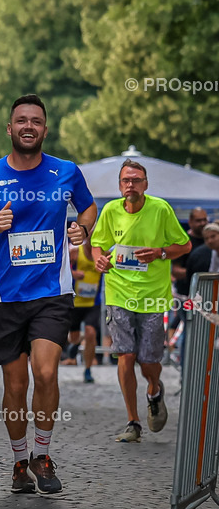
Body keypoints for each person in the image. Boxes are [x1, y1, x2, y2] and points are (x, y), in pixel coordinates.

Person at [0, 93, 97, 495]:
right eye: (22, 120)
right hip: (6, 297)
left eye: (36, 121)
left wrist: (82, 229)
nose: (28, 126)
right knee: (16, 386)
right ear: (10, 128)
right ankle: (20, 461)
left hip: (52, 293)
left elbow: (88, 209)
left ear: (45, 129)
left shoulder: (66, 172)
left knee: (47, 371)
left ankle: (43, 453)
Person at [90, 159, 191, 443]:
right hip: (119, 293)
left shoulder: (160, 209)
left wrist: (160, 252)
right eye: (126, 180)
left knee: (148, 361)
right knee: (126, 355)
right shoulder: (110, 210)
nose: (130, 185)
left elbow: (184, 245)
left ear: (145, 184)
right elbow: (98, 242)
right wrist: (98, 258)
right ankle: (133, 421)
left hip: (152, 297)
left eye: (136, 180)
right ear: (120, 185)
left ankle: (154, 390)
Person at [167, 207, 208, 348]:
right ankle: (186, 366)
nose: (202, 223)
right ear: (190, 222)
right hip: (185, 295)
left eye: (204, 219)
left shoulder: (210, 241)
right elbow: (175, 271)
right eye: (198, 220)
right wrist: (197, 273)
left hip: (208, 295)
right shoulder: (184, 241)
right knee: (190, 330)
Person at [64, 239, 101, 383]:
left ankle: (87, 369)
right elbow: (61, 268)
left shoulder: (102, 252)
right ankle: (77, 342)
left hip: (93, 302)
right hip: (76, 302)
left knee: (91, 333)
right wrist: (73, 273)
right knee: (72, 338)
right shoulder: (75, 252)